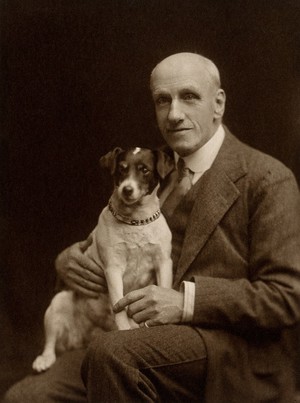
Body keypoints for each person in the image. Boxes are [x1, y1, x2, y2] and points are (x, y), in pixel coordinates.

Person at [3, 52, 300, 403]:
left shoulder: (267, 178)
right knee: (28, 397)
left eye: (189, 97)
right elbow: (108, 246)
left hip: (227, 351)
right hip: (135, 339)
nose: (174, 114)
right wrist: (68, 263)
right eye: (163, 100)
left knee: (113, 353)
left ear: (218, 103)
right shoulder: (153, 172)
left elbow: (286, 296)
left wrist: (186, 302)